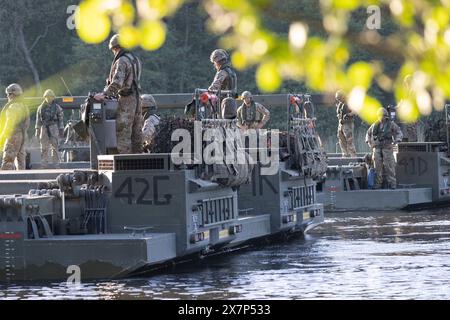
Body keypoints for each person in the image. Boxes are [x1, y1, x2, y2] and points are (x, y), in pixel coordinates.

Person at [94, 34, 143, 154]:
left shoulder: (122, 61)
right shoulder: (135, 59)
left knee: (123, 134)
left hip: (127, 101)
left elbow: (117, 83)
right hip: (137, 99)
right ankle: (138, 163)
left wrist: (104, 94)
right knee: (136, 134)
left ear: (115, 48)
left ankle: (125, 166)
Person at [365, 108, 403, 189]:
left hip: (387, 148)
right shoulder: (374, 125)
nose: (381, 118)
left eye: (382, 116)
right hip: (377, 148)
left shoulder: (391, 124)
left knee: (389, 166)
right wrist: (368, 142)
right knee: (377, 167)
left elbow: (399, 132)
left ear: (386, 116)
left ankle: (392, 184)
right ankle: (378, 184)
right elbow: (368, 133)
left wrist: (397, 140)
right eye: (379, 116)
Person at [0, 83, 30, 170]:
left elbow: (9, 124)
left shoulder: (12, 107)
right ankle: (22, 180)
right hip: (23, 136)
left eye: (8, 94)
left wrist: (3, 136)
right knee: (21, 161)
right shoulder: (24, 106)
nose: (7, 97)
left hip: (13, 136)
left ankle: (5, 183)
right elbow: (27, 123)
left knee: (8, 161)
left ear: (12, 95)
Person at [35, 89, 64, 167]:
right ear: (44, 97)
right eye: (47, 96)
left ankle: (56, 163)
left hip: (53, 127)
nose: (49, 98)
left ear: (53, 97)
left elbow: (60, 119)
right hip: (44, 128)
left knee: (55, 146)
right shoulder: (40, 108)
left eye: (51, 96)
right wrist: (37, 130)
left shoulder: (57, 108)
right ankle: (44, 163)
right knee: (44, 147)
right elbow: (38, 120)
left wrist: (61, 129)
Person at [335, 90, 357, 157]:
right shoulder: (340, 104)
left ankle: (353, 156)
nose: (339, 100)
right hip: (341, 124)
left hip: (348, 124)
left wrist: (348, 114)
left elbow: (355, 112)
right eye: (338, 99)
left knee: (349, 140)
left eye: (340, 98)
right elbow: (339, 113)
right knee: (341, 140)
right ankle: (345, 155)